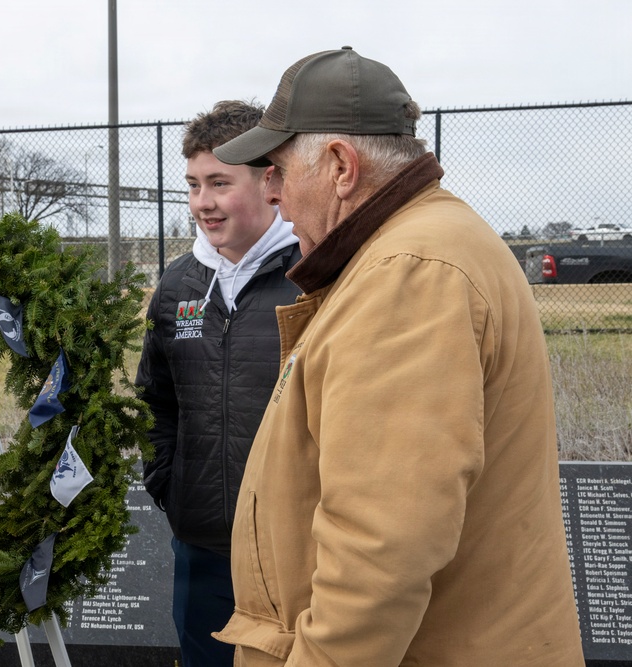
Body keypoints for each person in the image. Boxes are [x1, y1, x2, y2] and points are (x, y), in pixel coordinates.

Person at [209, 47, 584, 666]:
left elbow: (381, 550)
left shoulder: (407, 275)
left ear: (340, 167)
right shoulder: (429, 244)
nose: (270, 191)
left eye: (278, 169)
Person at [135, 100, 302, 666]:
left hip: (293, 550)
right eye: (193, 185)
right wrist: (169, 484)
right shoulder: (178, 284)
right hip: (202, 546)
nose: (202, 202)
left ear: (270, 183)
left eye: (220, 183)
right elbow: (156, 400)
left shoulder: (316, 275)